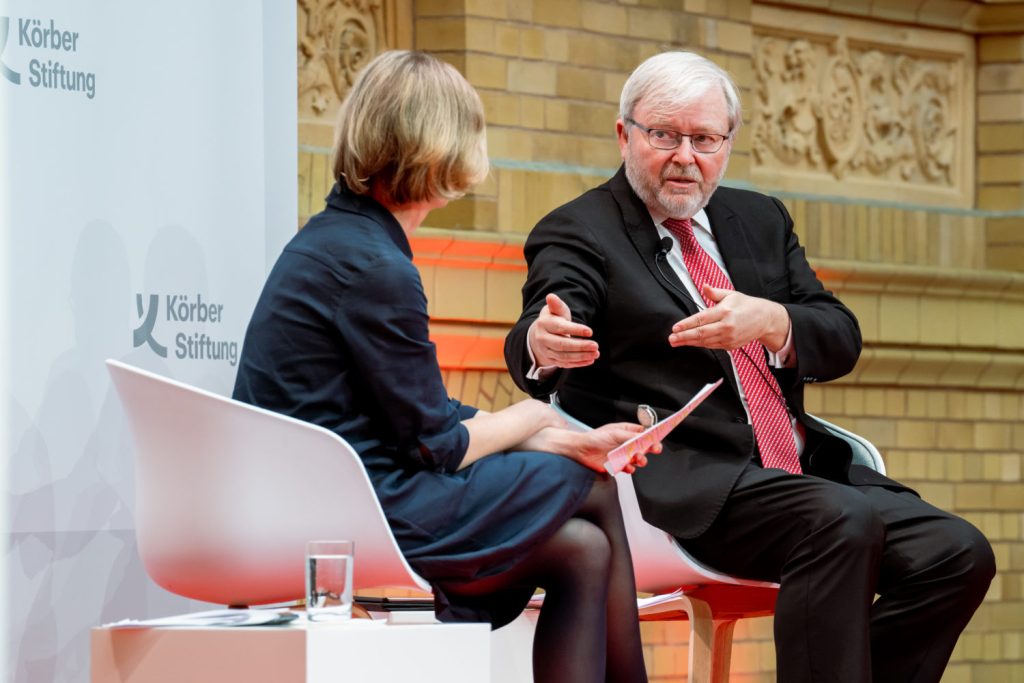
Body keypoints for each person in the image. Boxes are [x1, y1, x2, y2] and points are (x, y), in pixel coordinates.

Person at [504, 50, 995, 683]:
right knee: (839, 520)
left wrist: (775, 323)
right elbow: (540, 326)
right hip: (686, 487)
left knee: (956, 553)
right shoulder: (580, 230)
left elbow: (841, 335)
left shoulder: (759, 219)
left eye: (704, 139)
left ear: (728, 143)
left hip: (798, 472)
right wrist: (542, 343)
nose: (686, 156)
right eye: (665, 136)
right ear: (624, 134)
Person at [232, 50, 652, 683]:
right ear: (442, 150)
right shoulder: (376, 268)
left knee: (583, 550)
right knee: (594, 487)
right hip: (361, 506)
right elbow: (438, 444)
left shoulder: (336, 239)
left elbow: (420, 416)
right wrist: (537, 412)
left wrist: (564, 439)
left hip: (340, 490)